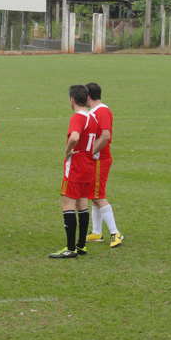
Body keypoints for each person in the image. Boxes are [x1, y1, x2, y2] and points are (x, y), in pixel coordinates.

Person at [49, 85, 99, 259]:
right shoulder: (93, 118)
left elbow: (75, 136)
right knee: (82, 204)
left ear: (72, 100)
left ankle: (70, 248)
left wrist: (68, 150)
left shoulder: (77, 117)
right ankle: (81, 245)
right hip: (88, 166)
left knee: (67, 205)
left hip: (76, 167)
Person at [85, 82, 124, 248]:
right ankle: (97, 232)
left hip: (100, 159)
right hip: (95, 159)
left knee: (98, 195)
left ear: (88, 96)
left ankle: (115, 232)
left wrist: (90, 152)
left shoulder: (102, 111)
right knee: (94, 195)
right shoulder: (95, 111)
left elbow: (106, 135)